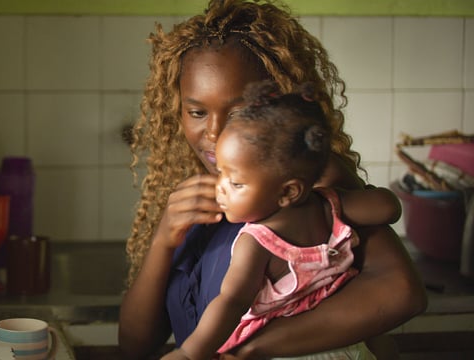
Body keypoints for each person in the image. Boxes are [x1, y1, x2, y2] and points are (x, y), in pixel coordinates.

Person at [119, 1, 427, 359]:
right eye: (197, 112)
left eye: (237, 112)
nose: (215, 133)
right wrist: (164, 240)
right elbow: (135, 346)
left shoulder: (307, 185)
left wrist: (249, 348)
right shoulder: (204, 191)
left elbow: (402, 291)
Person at [161, 81, 400, 360]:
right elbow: (388, 207)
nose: (220, 187)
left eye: (235, 182)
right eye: (222, 173)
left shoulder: (256, 242)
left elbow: (231, 301)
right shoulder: (329, 206)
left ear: (288, 191)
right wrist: (347, 190)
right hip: (346, 348)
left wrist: (189, 353)